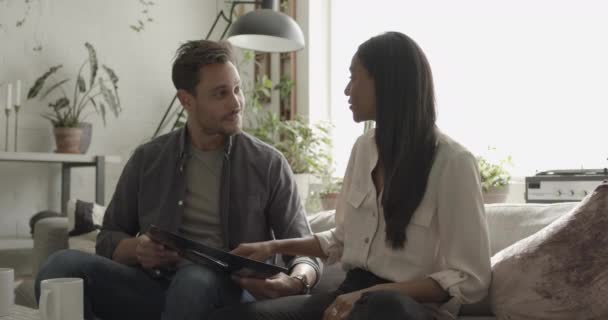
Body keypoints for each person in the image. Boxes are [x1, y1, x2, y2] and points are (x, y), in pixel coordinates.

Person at [209, 31, 492, 320]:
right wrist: (272, 246)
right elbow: (342, 239)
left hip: (407, 308)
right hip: (350, 295)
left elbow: (470, 278)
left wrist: (371, 296)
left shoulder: (453, 163)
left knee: (385, 307)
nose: (347, 90)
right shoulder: (363, 148)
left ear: (385, 83)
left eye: (354, 77)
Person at [35, 40, 321, 320]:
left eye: (237, 90)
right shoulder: (148, 158)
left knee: (194, 280)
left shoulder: (268, 163)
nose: (236, 103)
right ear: (186, 100)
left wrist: (298, 281)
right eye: (221, 94)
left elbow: (305, 251)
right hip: (153, 285)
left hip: (229, 290)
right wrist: (138, 249)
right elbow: (109, 237)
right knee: (61, 266)